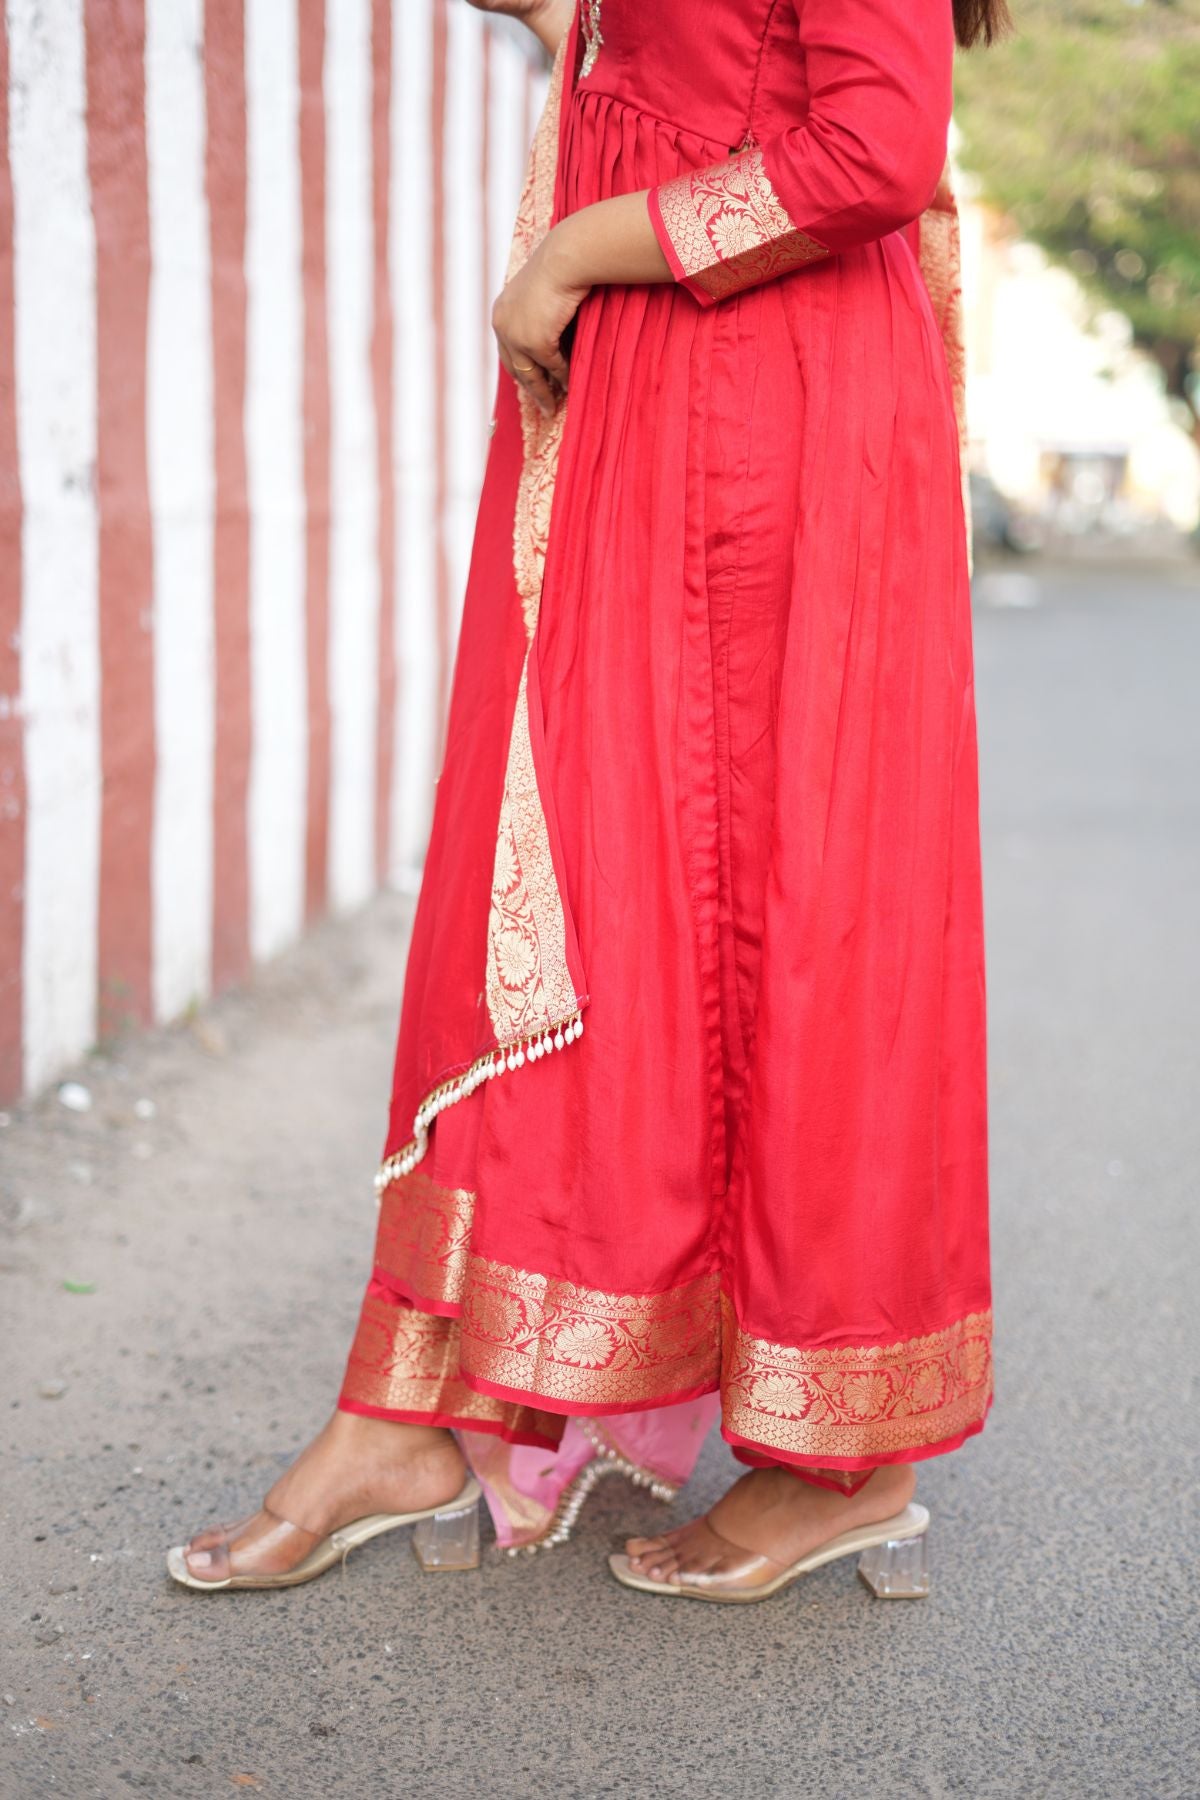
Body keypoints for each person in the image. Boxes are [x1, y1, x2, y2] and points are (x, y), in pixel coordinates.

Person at [169, 0, 1006, 1604]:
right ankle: (419, 1395)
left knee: (787, 911)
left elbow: (873, 145)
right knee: (550, 894)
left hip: (774, 429)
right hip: (651, 402)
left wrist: (572, 256)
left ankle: (842, 1447)